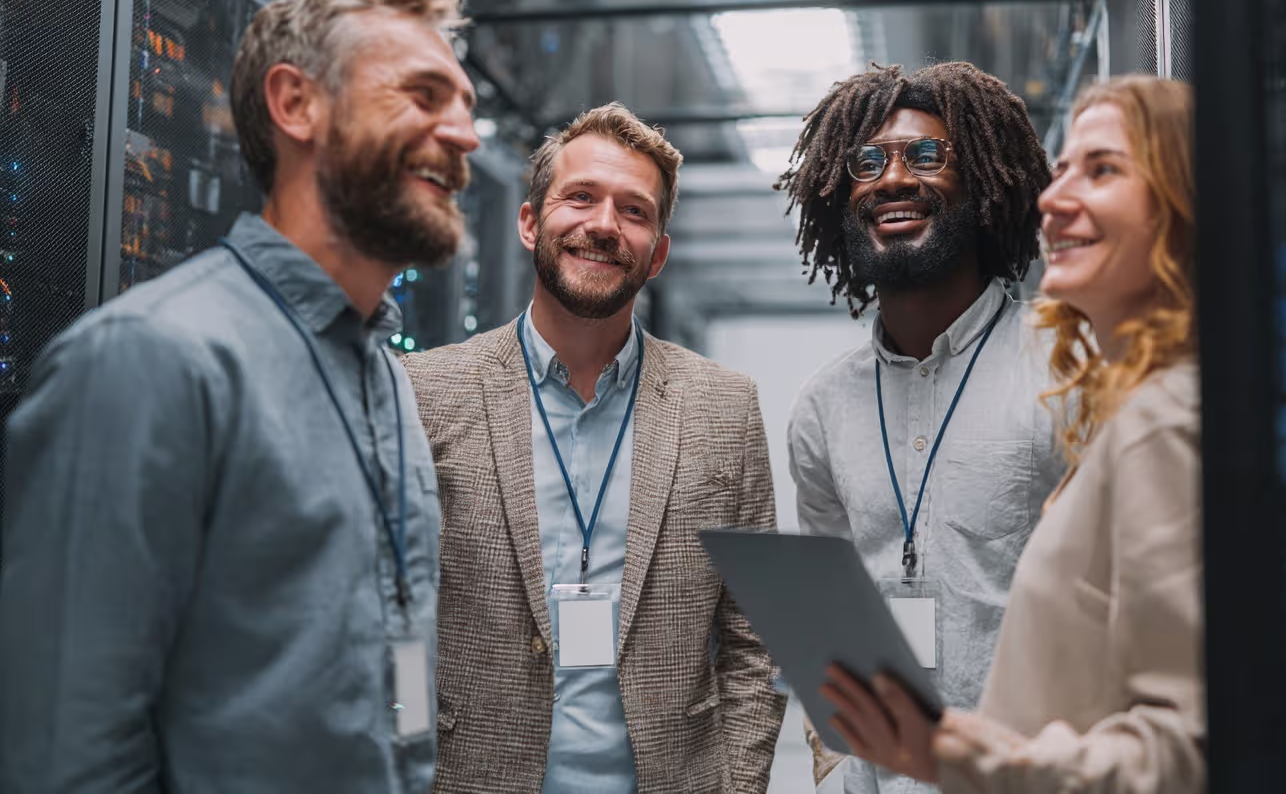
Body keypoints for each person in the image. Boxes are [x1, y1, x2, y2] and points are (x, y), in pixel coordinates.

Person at [0, 0, 480, 793]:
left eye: (467, 105)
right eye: (424, 94)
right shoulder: (148, 362)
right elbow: (65, 757)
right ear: (296, 104)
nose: (465, 133)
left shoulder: (388, 382)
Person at [821, 75, 1203, 793]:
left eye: (1103, 169)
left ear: (1183, 203)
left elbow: (1186, 743)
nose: (1053, 199)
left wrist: (968, 762)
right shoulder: (1143, 409)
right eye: (1060, 175)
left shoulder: (1164, 423)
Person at [403, 103, 786, 793]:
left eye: (634, 211)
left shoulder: (723, 407)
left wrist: (738, 784)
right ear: (529, 223)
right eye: (580, 198)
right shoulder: (428, 391)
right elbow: (388, 610)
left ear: (658, 252)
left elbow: (755, 635)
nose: (604, 225)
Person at [776, 61, 1066, 792]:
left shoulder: (1069, 370)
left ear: (986, 185)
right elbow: (831, 619)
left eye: (927, 155)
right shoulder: (822, 410)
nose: (892, 178)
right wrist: (838, 763)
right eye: (867, 163)